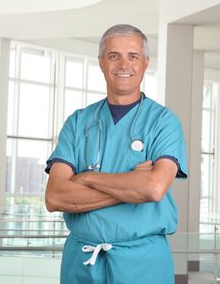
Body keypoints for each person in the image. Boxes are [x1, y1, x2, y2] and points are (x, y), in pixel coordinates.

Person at [45, 24, 187, 284]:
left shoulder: (164, 122)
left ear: (145, 62)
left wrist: (86, 178)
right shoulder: (78, 122)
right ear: (101, 62)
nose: (124, 64)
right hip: (82, 263)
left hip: (143, 265)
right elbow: (55, 196)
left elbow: (153, 190)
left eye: (133, 56)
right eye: (114, 56)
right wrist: (132, 184)